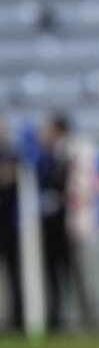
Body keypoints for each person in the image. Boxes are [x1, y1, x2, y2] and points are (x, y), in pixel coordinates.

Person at [38, 113, 94, 332]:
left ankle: (86, 316)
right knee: (54, 272)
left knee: (75, 271)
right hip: (51, 226)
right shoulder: (46, 154)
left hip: (69, 223)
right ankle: (56, 316)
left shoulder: (73, 153)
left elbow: (77, 187)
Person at [0, 117, 20, 332]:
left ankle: (17, 318)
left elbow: (11, 179)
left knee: (14, 274)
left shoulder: (12, 154)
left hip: (10, 227)